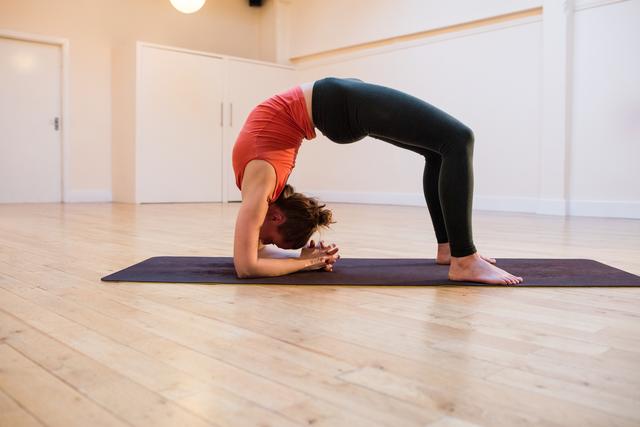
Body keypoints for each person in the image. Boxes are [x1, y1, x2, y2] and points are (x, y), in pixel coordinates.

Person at [232, 77, 523, 285]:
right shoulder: (262, 189)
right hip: (334, 103)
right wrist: (304, 259)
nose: (261, 238)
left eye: (269, 237)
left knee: (453, 143)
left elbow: (247, 266)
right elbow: (252, 259)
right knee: (452, 144)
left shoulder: (260, 189)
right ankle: (458, 256)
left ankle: (457, 254)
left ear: (277, 215)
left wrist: (304, 261)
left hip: (337, 103)